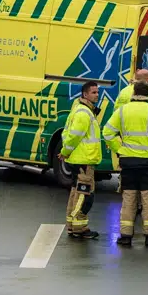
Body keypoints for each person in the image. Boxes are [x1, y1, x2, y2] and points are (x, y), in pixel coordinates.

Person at [103, 79, 148, 247]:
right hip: (147, 162)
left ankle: (125, 235)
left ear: (133, 92)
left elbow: (107, 132)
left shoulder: (122, 110)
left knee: (128, 198)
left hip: (128, 161)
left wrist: (120, 149)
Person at [58, 81, 103, 239]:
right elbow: (74, 137)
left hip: (80, 159)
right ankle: (79, 228)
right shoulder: (84, 113)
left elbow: (67, 134)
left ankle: (72, 226)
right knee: (84, 196)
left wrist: (65, 152)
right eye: (93, 92)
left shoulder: (79, 109)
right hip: (83, 161)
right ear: (85, 94)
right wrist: (64, 152)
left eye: (97, 92)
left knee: (76, 193)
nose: (97, 95)